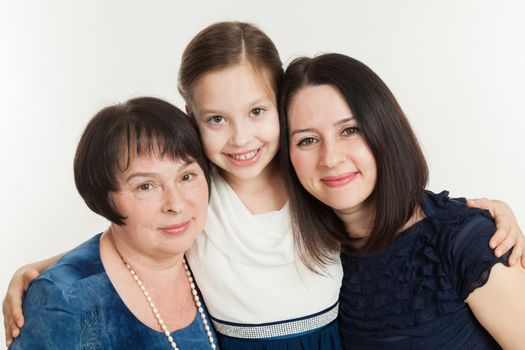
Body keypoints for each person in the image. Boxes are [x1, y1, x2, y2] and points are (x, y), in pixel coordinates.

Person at [4, 22, 525, 349]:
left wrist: (492, 215)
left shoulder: (308, 182)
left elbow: (402, 219)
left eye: (257, 112)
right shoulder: (205, 186)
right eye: (216, 120)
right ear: (193, 117)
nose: (241, 138)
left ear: (278, 107)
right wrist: (46, 269)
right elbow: (146, 231)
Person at [278, 53, 525, 349]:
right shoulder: (313, 257)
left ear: (383, 130)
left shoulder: (468, 240)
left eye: (350, 130)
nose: (330, 158)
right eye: (307, 140)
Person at [8, 97, 218, 349]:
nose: (176, 204)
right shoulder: (65, 299)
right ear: (103, 197)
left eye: (186, 176)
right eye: (146, 186)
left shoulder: (214, 256)